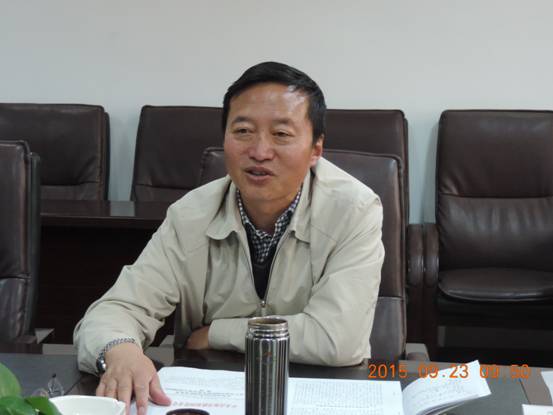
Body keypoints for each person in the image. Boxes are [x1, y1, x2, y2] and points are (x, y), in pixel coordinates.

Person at [74, 61, 384, 414]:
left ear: (316, 149)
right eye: (243, 131)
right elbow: (114, 311)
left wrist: (217, 333)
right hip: (208, 397)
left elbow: (338, 338)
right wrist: (120, 352)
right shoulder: (190, 216)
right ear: (224, 139)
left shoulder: (354, 210)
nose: (260, 151)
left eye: (281, 134)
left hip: (321, 394)